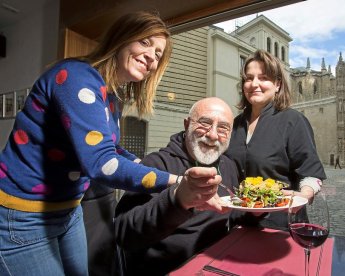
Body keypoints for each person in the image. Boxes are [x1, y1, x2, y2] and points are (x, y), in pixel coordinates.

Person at [0, 11, 221, 275]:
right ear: (123, 38)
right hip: (22, 214)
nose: (151, 56)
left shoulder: (110, 96)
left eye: (159, 53)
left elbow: (113, 150)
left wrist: (161, 172)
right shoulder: (76, 77)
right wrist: (177, 182)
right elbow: (102, 163)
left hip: (69, 210)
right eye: (145, 43)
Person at [114, 97, 259, 275]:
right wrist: (177, 200)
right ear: (187, 124)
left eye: (223, 128)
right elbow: (124, 233)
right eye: (205, 123)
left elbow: (234, 215)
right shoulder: (156, 165)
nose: (213, 135)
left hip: (221, 263)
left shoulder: (228, 166)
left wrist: (255, 211)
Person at [225, 49, 326, 229]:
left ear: (277, 84)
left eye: (263, 78)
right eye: (248, 78)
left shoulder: (293, 121)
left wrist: (304, 194)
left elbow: (311, 173)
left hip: (281, 225)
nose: (254, 84)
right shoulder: (235, 124)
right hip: (238, 224)